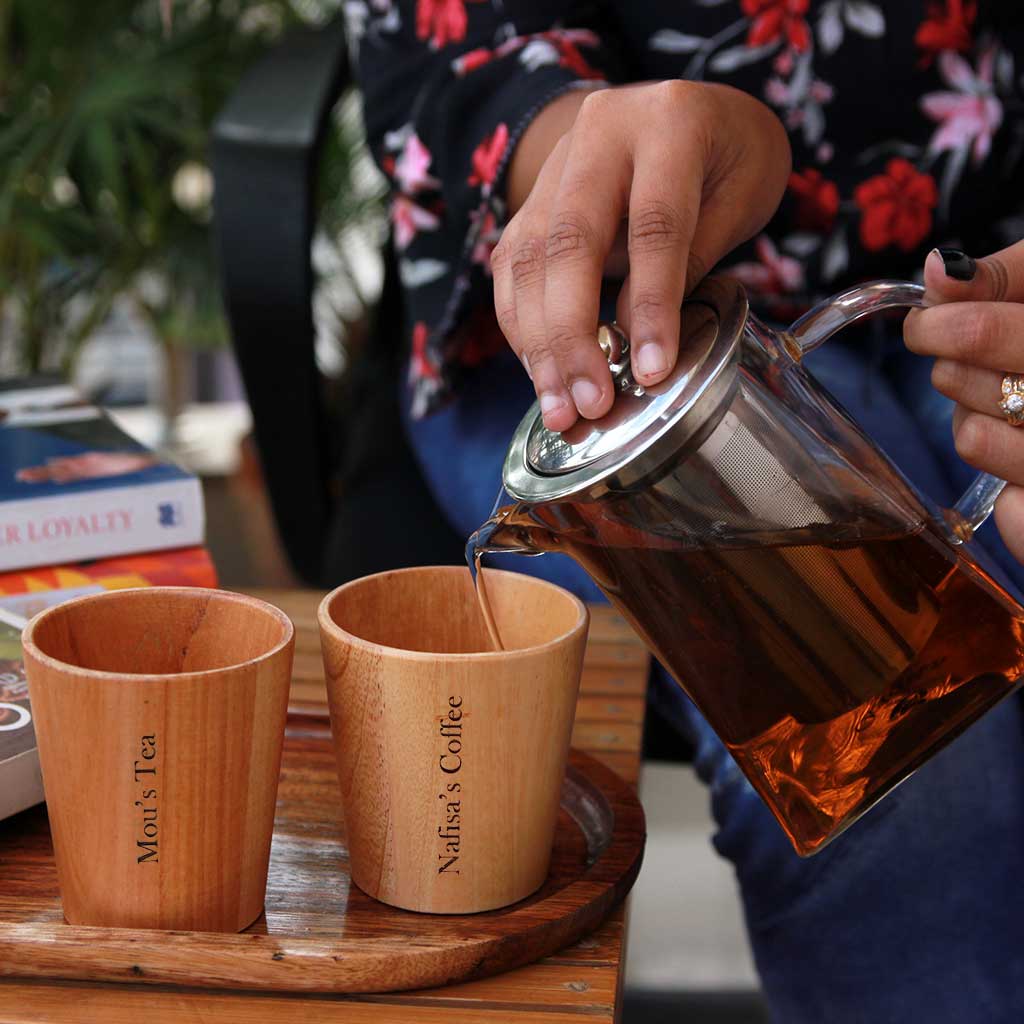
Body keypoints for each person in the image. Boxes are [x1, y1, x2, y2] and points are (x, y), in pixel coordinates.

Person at [345, 2, 1024, 1019]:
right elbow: (451, 54)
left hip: (980, 277)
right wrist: (600, 161)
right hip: (588, 339)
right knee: (906, 741)